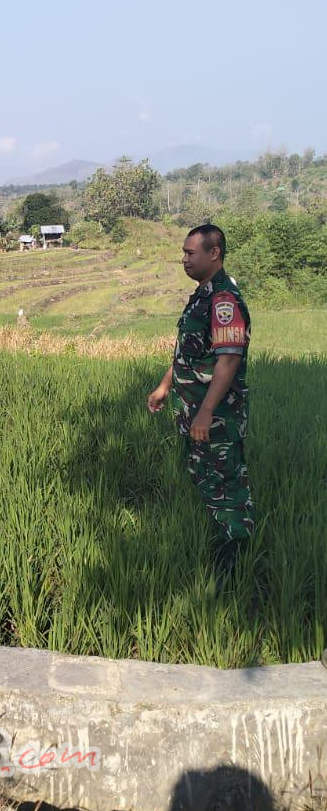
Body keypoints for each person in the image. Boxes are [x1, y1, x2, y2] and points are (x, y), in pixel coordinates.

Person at [147, 224, 254, 581]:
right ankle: (218, 536)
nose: (184, 259)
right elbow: (187, 353)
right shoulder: (202, 296)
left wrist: (206, 412)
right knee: (204, 476)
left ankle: (234, 556)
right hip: (193, 411)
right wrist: (165, 386)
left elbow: (229, 359)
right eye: (184, 252)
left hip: (217, 416)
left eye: (190, 253)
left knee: (226, 483)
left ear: (214, 253)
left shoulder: (224, 300)